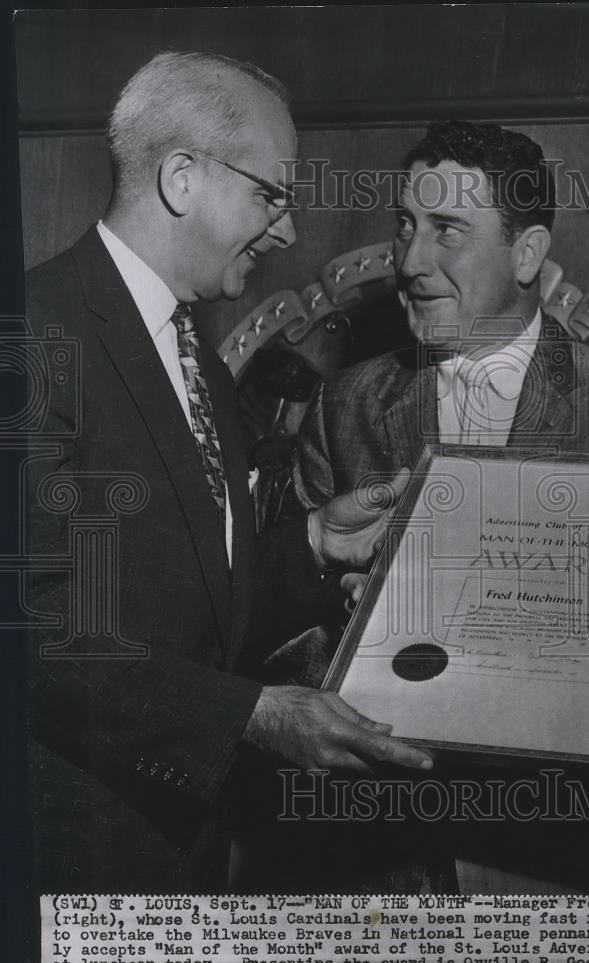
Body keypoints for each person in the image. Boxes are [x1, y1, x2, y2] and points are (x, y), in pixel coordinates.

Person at [292, 120, 589, 890]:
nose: (410, 261)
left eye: (447, 231)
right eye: (405, 226)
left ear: (527, 253)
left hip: (569, 856)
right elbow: (271, 620)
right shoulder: (345, 403)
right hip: (384, 865)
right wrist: (341, 639)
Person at [24, 51, 432, 895]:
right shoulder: (30, 336)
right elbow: (35, 631)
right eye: (272, 194)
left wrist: (314, 546)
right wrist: (253, 715)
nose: (286, 230)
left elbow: (197, 614)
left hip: (181, 862)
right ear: (182, 179)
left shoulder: (200, 366)